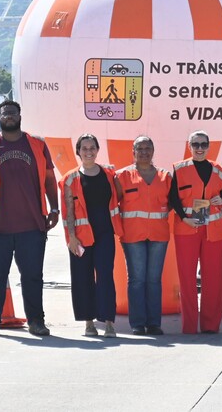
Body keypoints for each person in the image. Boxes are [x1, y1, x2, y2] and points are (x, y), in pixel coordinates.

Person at [0, 99, 59, 337]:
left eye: (13, 112)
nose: (9, 116)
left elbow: (50, 178)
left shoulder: (37, 144)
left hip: (32, 224)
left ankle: (36, 322)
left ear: (20, 116)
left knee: (32, 276)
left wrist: (55, 209)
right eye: (5, 113)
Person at [60, 133, 121, 338]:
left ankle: (109, 323)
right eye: (84, 148)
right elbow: (68, 210)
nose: (89, 152)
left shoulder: (109, 174)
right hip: (81, 237)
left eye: (92, 147)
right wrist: (71, 238)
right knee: (82, 278)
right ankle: (89, 323)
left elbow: (119, 198)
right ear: (78, 152)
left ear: (97, 150)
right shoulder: (70, 178)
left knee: (105, 276)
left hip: (104, 234)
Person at [169, 130, 222, 334]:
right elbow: (173, 199)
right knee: (187, 278)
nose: (200, 148)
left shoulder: (218, 170)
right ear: (189, 146)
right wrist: (184, 218)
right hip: (187, 229)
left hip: (213, 230)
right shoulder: (179, 169)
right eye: (196, 145)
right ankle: (190, 326)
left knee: (214, 278)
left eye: (203, 144)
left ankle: (211, 325)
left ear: (209, 146)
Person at [116, 136, 172, 336]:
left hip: (158, 235)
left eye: (148, 148)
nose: (144, 152)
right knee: (137, 279)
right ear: (133, 152)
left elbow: (172, 202)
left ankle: (154, 323)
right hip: (132, 235)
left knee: (154, 280)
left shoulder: (166, 177)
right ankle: (138, 324)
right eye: (140, 148)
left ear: (153, 151)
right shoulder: (121, 177)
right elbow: (114, 203)